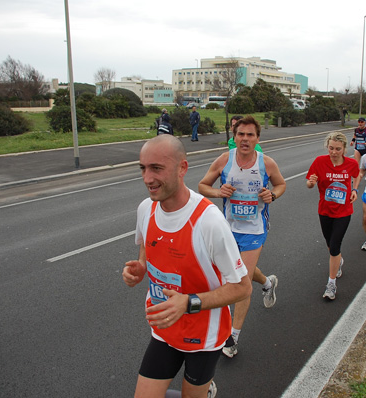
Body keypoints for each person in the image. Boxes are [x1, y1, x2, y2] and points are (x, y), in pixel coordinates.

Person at [122, 135, 252, 398]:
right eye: (143, 168)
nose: (147, 178)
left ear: (182, 168)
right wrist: (142, 267)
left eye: (157, 168)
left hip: (204, 336)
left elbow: (242, 288)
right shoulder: (146, 208)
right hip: (164, 327)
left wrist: (187, 303)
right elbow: (148, 244)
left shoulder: (209, 221)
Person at [198, 116, 286, 358]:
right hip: (228, 229)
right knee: (239, 272)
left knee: (240, 282)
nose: (245, 139)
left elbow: (281, 185)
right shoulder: (224, 160)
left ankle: (232, 337)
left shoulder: (266, 163)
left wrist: (272, 195)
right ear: (234, 137)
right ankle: (268, 283)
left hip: (255, 229)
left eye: (250, 135)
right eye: (241, 134)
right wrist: (218, 191)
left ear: (257, 139)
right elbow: (202, 185)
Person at [306, 132, 359, 300]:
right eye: (331, 148)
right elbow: (309, 183)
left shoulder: (351, 163)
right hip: (325, 211)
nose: (334, 152)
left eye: (337, 149)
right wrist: (311, 183)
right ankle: (338, 261)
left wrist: (355, 190)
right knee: (330, 245)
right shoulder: (319, 162)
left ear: (344, 149)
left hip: (344, 211)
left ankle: (331, 284)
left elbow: (357, 175)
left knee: (335, 246)